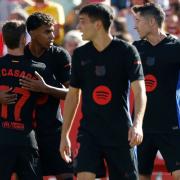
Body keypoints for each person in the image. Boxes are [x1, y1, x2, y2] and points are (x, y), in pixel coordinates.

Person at [60, 3, 147, 180]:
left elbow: (140, 92)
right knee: (84, 176)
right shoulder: (80, 54)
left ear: (98, 24)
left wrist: (137, 124)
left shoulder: (127, 51)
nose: (78, 26)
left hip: (120, 132)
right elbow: (73, 95)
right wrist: (65, 135)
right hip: (90, 131)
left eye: (83, 21)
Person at [19, 12, 73, 180]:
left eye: (52, 31)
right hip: (26, 132)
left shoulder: (59, 55)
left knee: (67, 176)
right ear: (32, 33)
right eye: (47, 31)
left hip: (53, 130)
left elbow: (71, 95)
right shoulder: (19, 56)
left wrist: (45, 88)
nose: (52, 35)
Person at [132, 3, 180, 180]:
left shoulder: (176, 47)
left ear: (152, 21)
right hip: (142, 126)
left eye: (138, 21)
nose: (135, 25)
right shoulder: (135, 48)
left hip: (171, 125)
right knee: (141, 175)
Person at [0, 20, 49, 180]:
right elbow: (70, 93)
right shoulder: (38, 68)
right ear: (23, 39)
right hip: (26, 138)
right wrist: (46, 88)